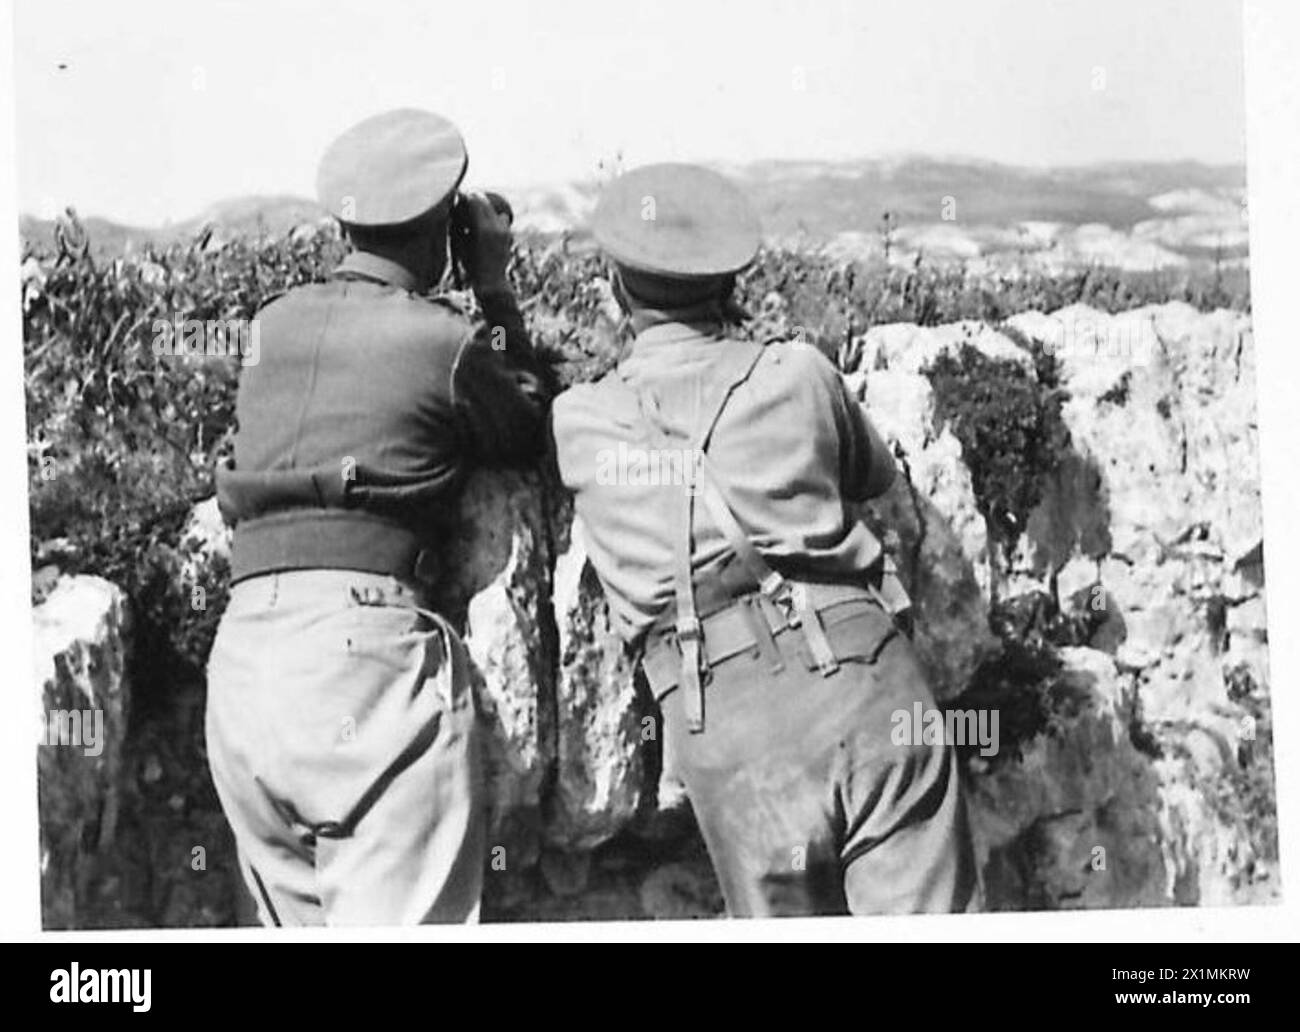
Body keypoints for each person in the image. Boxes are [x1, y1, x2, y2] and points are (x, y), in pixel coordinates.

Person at [551, 162, 976, 917]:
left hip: (723, 717)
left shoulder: (579, 420)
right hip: (865, 679)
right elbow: (874, 477)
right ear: (729, 284)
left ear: (617, 292)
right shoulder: (800, 373)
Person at [205, 108, 545, 925]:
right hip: (364, 669)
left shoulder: (270, 326)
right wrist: (492, 283)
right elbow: (527, 425)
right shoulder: (444, 341)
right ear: (445, 227)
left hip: (245, 674)